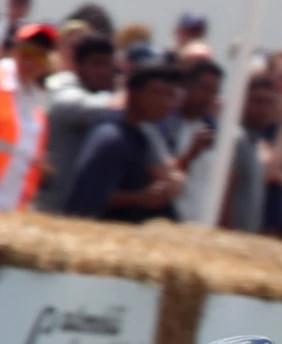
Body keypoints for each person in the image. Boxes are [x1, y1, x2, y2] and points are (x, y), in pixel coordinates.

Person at [62, 62, 185, 222]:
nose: (165, 103)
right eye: (157, 93)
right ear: (133, 93)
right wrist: (139, 198)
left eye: (170, 96)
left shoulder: (139, 135)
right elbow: (89, 197)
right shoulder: (111, 137)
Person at [36, 32, 116, 214]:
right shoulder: (61, 86)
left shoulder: (100, 91)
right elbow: (68, 104)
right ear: (77, 64)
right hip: (47, 203)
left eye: (108, 65)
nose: (104, 71)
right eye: (97, 64)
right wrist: (119, 101)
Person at [0, 22, 53, 213]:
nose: (31, 61)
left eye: (39, 55)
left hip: (11, 208)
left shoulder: (37, 103)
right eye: (27, 52)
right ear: (15, 50)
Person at [169, 59, 226, 226]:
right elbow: (164, 175)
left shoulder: (215, 131)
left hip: (203, 224)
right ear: (186, 86)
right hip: (173, 221)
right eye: (204, 88)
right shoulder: (167, 126)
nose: (208, 96)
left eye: (214, 91)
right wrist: (192, 153)